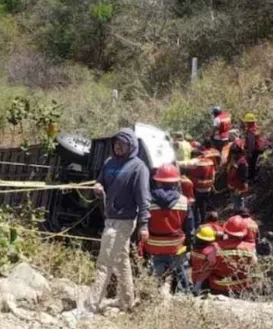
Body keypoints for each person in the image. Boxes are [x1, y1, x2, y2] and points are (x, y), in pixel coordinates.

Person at [82, 128, 151, 314]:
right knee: (121, 260)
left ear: (131, 145)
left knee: (104, 263)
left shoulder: (138, 168)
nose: (118, 146)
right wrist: (98, 186)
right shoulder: (109, 162)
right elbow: (101, 180)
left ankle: (91, 306)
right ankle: (126, 301)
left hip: (124, 221)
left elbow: (144, 200)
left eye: (123, 143)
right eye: (116, 143)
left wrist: (144, 225)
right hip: (110, 218)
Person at [144, 164, 194, 297]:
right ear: (176, 181)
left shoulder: (147, 200)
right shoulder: (184, 201)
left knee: (156, 271)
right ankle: (184, 294)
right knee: (180, 269)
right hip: (175, 245)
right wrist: (189, 245)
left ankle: (153, 294)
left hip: (154, 245)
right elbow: (189, 228)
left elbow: (142, 224)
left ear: (157, 181)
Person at [210, 216, 258, 295]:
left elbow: (208, 266)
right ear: (243, 232)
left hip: (218, 287)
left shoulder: (214, 247)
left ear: (226, 231)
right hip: (241, 289)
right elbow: (254, 266)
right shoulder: (250, 248)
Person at [181, 148, 215, 223]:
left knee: (195, 207)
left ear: (195, 155)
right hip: (207, 188)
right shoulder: (210, 161)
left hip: (198, 188)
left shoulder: (195, 161)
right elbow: (213, 174)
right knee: (203, 206)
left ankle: (196, 223)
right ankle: (203, 221)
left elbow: (184, 164)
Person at [190, 225, 220, 295]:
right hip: (205, 280)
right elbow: (212, 266)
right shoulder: (210, 251)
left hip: (194, 276)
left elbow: (191, 263)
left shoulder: (194, 249)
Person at [226, 141, 250, 210]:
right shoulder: (235, 161)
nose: (233, 155)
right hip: (233, 188)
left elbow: (244, 177)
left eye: (234, 153)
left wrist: (241, 189)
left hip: (238, 189)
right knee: (236, 204)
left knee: (239, 206)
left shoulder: (242, 163)